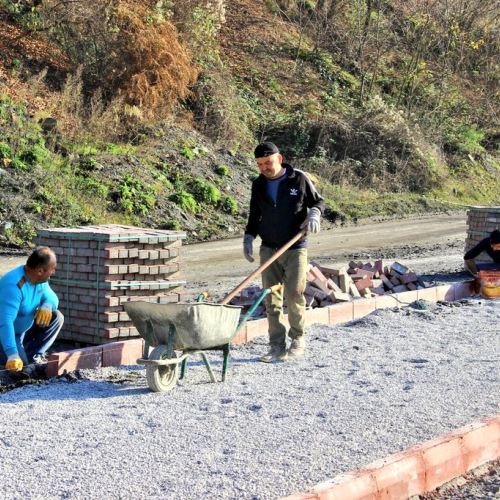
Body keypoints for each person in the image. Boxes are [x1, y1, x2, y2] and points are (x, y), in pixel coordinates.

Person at [243, 142, 324, 362]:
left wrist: (314, 214)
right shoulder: (258, 185)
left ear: (280, 158)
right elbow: (254, 215)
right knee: (271, 298)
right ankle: (276, 345)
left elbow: (318, 202)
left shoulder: (298, 178)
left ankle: (297, 339)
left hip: (295, 247)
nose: (264, 168)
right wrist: (249, 236)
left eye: (268, 162)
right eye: (259, 164)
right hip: (269, 247)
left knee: (295, 293)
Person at [0, 246, 64, 373]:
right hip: (5, 334)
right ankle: (13, 357)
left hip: (22, 331)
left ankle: (33, 356)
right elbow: (4, 323)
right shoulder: (13, 286)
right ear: (40, 271)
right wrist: (12, 353)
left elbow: (52, 297)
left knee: (56, 317)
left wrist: (47, 305)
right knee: (19, 368)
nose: (53, 272)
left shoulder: (40, 280)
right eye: (52, 269)